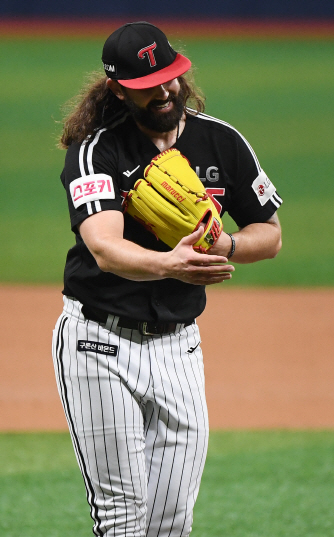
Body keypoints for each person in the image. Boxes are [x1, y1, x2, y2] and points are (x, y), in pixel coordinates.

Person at [52, 21, 282, 536]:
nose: (164, 91)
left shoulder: (220, 140)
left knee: (172, 520)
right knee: (123, 516)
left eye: (170, 77)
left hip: (180, 348)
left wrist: (226, 246)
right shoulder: (97, 151)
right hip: (98, 345)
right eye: (146, 86)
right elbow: (104, 248)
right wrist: (170, 264)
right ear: (118, 89)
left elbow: (269, 234)